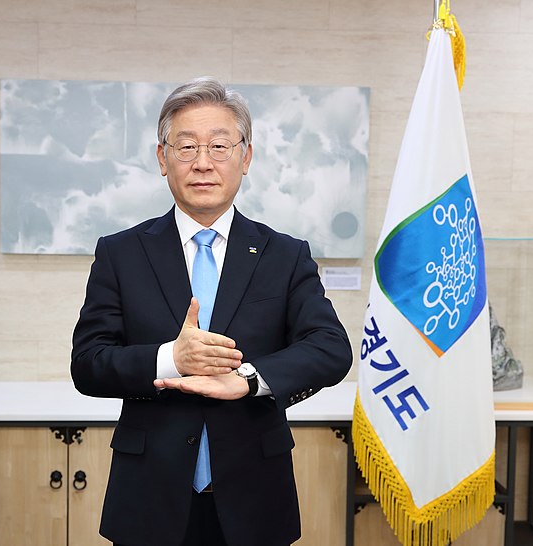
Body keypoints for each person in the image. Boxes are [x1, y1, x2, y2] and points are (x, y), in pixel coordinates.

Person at [71, 77, 353, 546]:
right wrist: (170, 360)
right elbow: (88, 364)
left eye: (220, 146)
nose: (203, 162)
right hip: (149, 499)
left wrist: (247, 379)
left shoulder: (284, 255)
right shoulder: (121, 253)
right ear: (163, 159)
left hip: (255, 499)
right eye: (186, 146)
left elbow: (330, 349)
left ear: (246, 157)